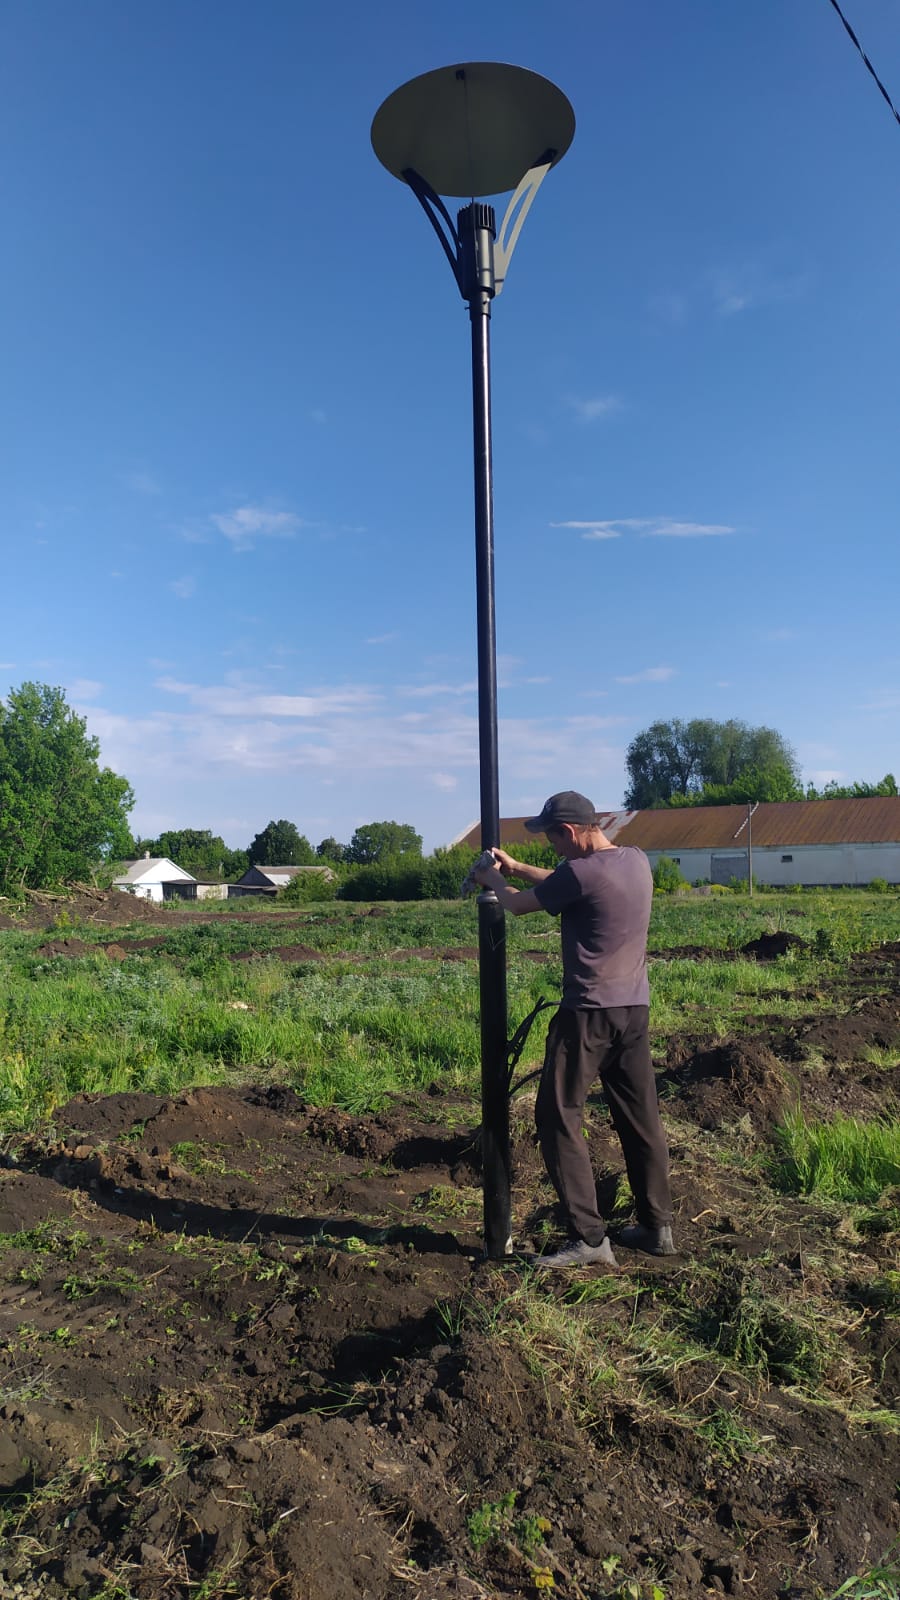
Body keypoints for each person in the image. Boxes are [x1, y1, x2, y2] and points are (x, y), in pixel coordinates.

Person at [472, 790, 674, 1268]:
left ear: (569, 831)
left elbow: (521, 906)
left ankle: (589, 1237)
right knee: (640, 1118)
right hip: (634, 1010)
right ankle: (656, 1227)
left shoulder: (581, 873)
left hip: (587, 1013)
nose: (553, 849)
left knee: (558, 1116)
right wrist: (518, 867)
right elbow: (566, 884)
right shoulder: (634, 861)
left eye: (553, 839)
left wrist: (491, 881)